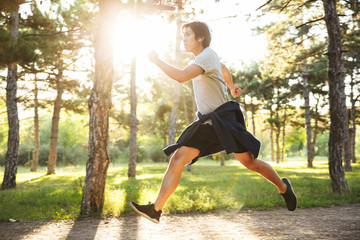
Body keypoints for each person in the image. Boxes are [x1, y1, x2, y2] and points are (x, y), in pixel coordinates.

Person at [130, 21, 297, 224]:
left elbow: (181, 76)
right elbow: (223, 68)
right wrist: (231, 85)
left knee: (249, 162)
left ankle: (283, 187)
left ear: (200, 38)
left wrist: (157, 60)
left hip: (222, 121)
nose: (184, 39)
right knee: (180, 159)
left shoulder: (206, 55)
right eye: (183, 35)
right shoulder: (206, 57)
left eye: (187, 35)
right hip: (211, 123)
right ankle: (156, 209)